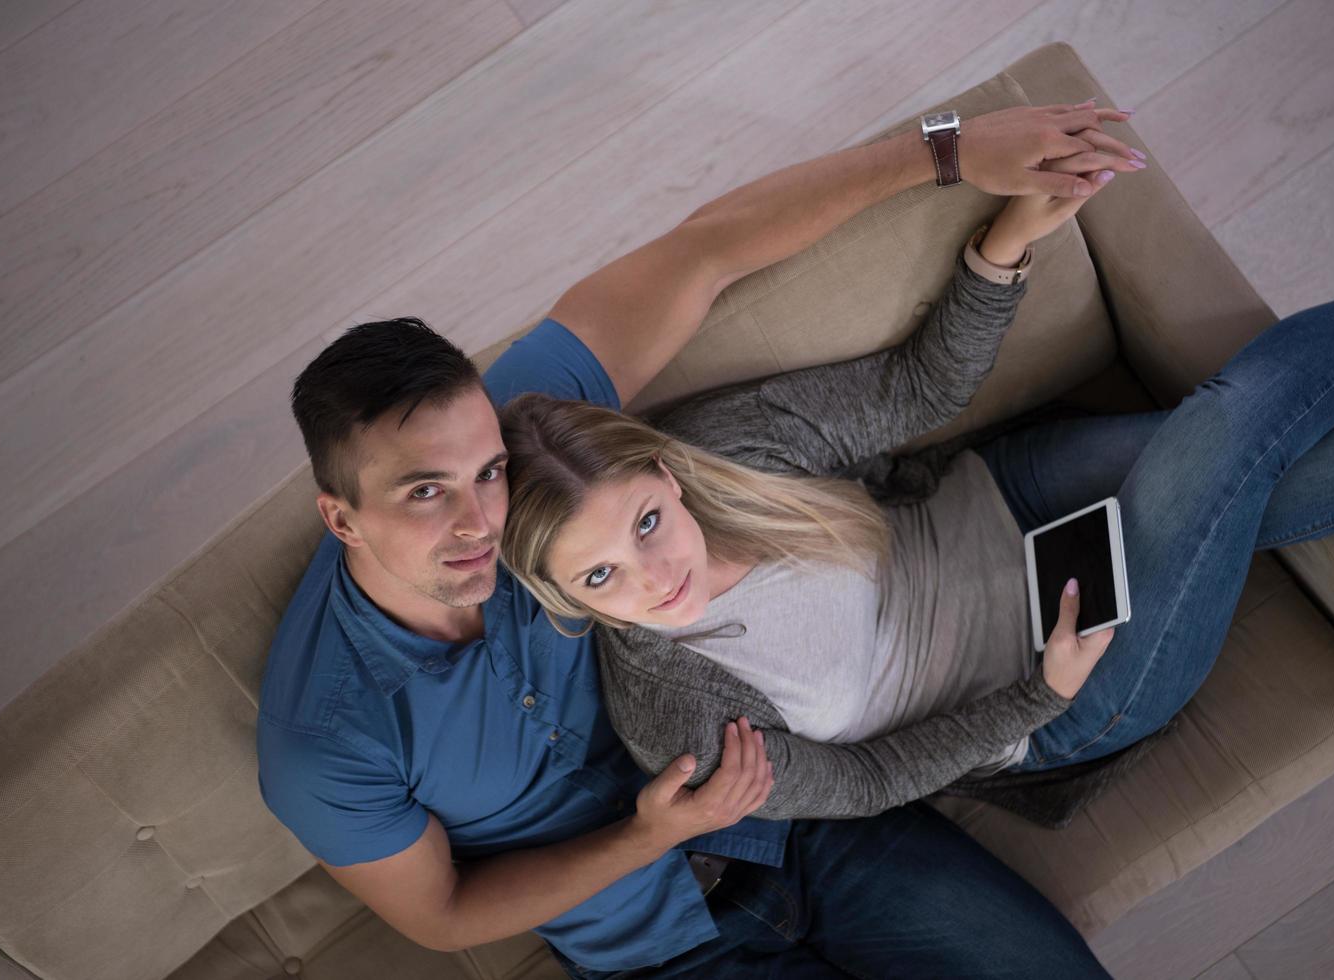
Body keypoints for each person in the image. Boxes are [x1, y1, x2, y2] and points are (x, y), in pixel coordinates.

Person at [256, 97, 1144, 978]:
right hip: (663, 953)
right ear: (341, 517)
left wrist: (946, 151)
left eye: (484, 471)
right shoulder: (323, 737)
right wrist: (650, 833)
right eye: (423, 493)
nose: (479, 520)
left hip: (802, 820)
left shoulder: (526, 446)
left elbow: (706, 249)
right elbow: (443, 916)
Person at [497, 190, 1334, 831]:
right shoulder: (672, 714)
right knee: (1222, 436)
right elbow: (865, 780)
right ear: (559, 594)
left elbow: (914, 388)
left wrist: (1004, 242)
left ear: (665, 473)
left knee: (1278, 446)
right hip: (1062, 688)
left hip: (1006, 503)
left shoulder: (726, 451)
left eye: (648, 522)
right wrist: (1036, 696)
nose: (655, 579)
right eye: (600, 575)